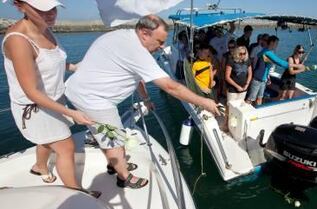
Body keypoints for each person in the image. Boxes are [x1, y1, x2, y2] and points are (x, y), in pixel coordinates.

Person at [65, 15, 220, 189]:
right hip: (94, 100)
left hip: (80, 90)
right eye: (160, 42)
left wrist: (146, 99)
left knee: (111, 135)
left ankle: (114, 165)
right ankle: (124, 176)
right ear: (144, 33)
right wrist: (204, 102)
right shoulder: (137, 52)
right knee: (116, 139)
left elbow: (137, 76)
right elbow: (171, 87)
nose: (162, 47)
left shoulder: (122, 36)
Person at [1, 0, 98, 196]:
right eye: (40, 9)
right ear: (20, 6)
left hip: (53, 99)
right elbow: (31, 92)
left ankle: (40, 167)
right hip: (35, 106)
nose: (50, 13)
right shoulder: (18, 40)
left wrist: (77, 67)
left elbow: (52, 63)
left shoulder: (45, 28)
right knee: (66, 147)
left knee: (47, 140)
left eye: (52, 8)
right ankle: (76, 194)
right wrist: (72, 112)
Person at [246, 35, 305, 105]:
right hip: (257, 79)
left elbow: (267, 66)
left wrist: (267, 77)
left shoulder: (267, 52)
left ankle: (259, 113)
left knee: (259, 98)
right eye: (276, 43)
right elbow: (281, 63)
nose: (277, 45)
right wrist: (298, 66)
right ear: (272, 42)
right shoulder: (267, 52)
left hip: (263, 79)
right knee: (250, 99)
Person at [223, 46, 252, 131]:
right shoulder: (231, 61)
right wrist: (237, 86)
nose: (242, 55)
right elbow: (227, 77)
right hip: (233, 89)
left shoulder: (247, 61)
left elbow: (250, 74)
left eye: (244, 53)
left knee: (239, 106)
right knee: (230, 106)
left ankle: (234, 124)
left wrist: (246, 85)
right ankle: (225, 124)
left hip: (244, 88)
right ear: (237, 53)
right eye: (240, 53)